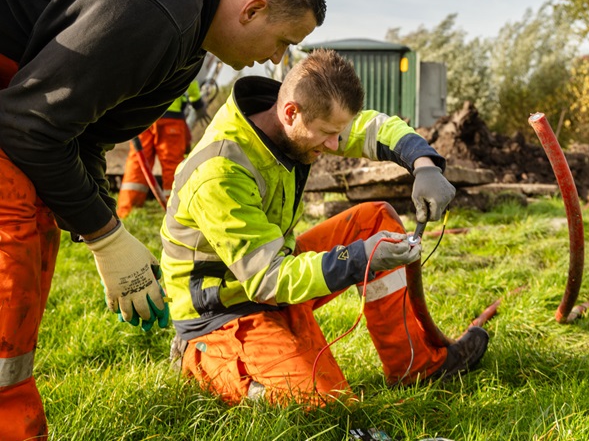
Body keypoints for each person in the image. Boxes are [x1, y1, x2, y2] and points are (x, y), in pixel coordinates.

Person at [0, 0, 326, 438]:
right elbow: (27, 127)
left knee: (34, 213)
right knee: (11, 232)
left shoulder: (185, 37)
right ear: (254, 9)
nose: (276, 62)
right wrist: (108, 240)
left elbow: (81, 136)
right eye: (283, 42)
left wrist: (102, 227)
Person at [161, 49, 490, 406]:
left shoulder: (296, 121)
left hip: (273, 268)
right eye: (329, 135)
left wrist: (424, 165)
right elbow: (267, 280)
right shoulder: (221, 169)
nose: (336, 145)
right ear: (291, 113)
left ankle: (417, 365)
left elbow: (373, 127)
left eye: (338, 134)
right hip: (224, 309)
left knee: (374, 220)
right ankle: (202, 360)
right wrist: (359, 258)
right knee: (327, 404)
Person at [117, 78, 206, 218]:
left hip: (141, 114)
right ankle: (177, 213)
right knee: (172, 165)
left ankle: (127, 212)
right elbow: (191, 76)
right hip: (170, 114)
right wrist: (198, 103)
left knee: (138, 163)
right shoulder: (181, 55)